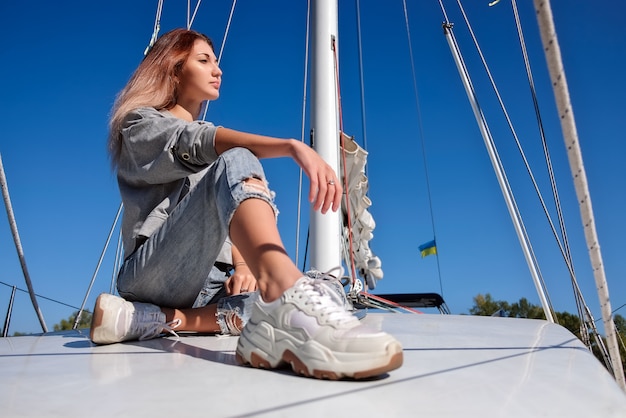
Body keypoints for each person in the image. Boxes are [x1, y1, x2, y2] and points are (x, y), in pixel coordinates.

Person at [90, 28, 403, 380]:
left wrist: (244, 267)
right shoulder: (140, 125)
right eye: (204, 60)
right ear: (174, 69)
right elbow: (194, 142)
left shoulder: (216, 155)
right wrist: (290, 146)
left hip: (210, 287)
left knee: (328, 286)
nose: (218, 69)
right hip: (154, 275)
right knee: (237, 157)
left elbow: (228, 215)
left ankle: (161, 319)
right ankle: (285, 294)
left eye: (217, 62)